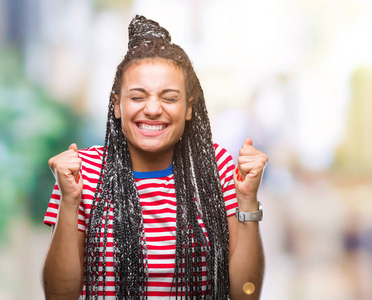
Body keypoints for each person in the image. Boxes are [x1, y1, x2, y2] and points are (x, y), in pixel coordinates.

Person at [42, 15, 267, 300]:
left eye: (169, 98)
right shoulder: (82, 172)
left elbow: (246, 294)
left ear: (188, 108)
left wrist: (247, 201)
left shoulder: (217, 169)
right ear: (117, 106)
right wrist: (69, 200)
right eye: (137, 97)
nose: (152, 109)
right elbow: (59, 297)